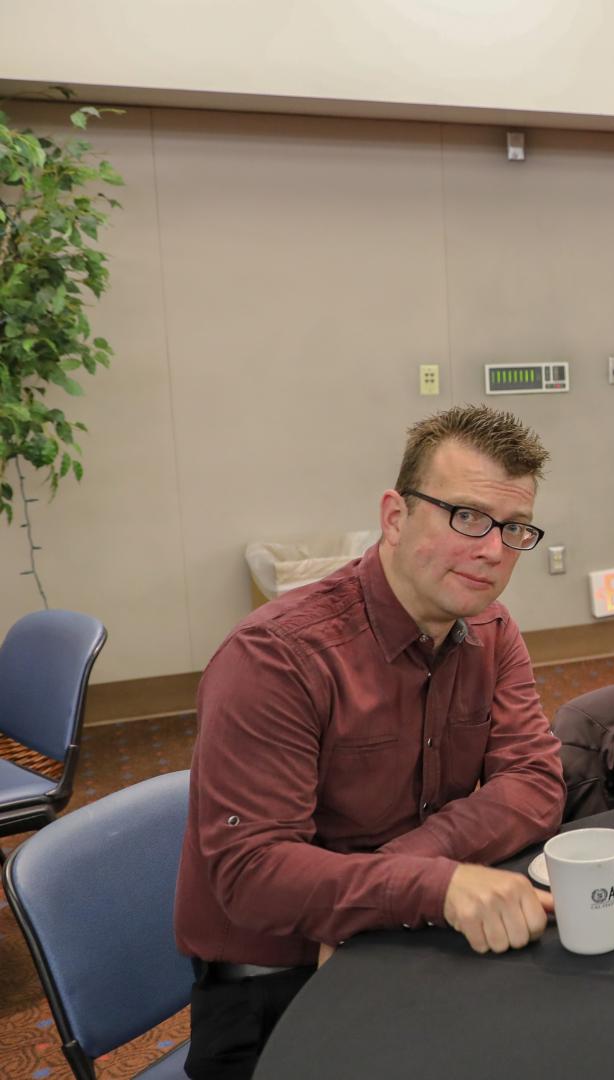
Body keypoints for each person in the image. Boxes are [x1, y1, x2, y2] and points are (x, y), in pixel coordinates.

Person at [175, 405, 565, 1079]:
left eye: (514, 528)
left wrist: (408, 874)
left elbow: (534, 785)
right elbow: (252, 874)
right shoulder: (277, 656)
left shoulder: (492, 631)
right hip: (273, 985)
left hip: (404, 936)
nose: (494, 550)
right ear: (394, 516)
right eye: (466, 517)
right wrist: (431, 887)